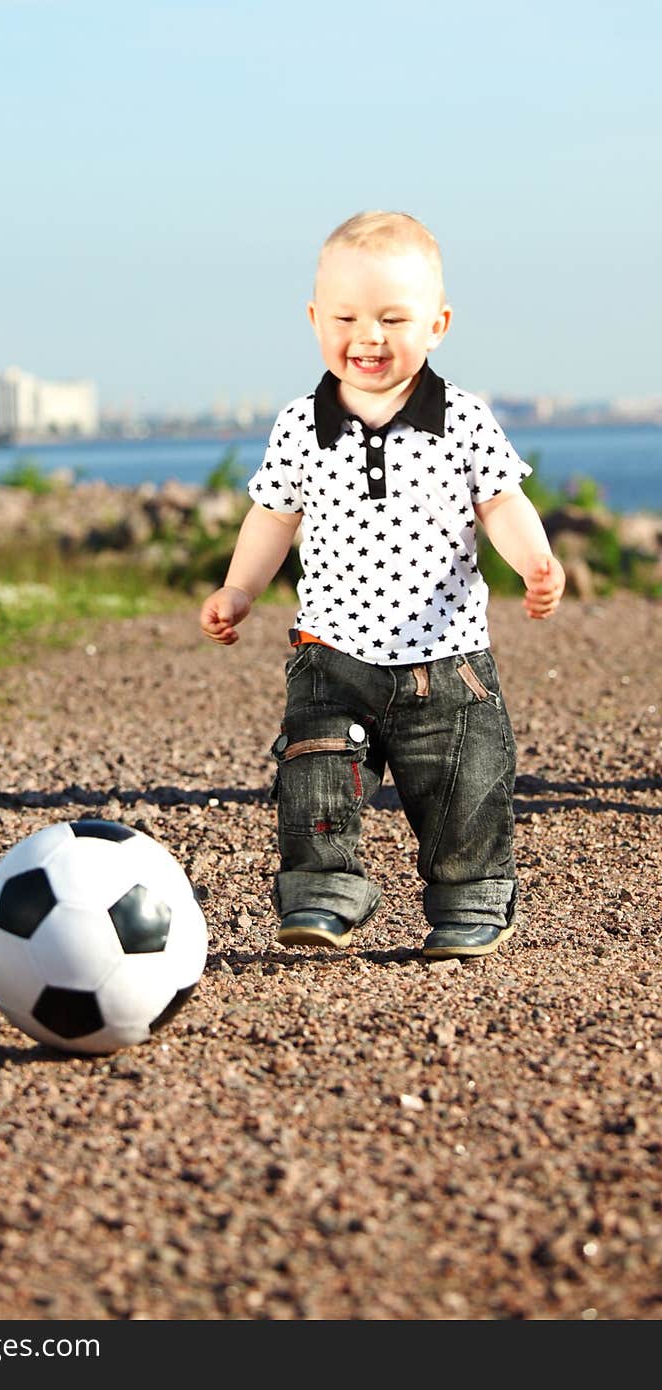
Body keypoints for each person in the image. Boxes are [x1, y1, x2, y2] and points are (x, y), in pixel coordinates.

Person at [199, 210, 565, 960]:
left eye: (393, 318)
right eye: (346, 317)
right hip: (332, 651)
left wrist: (535, 562)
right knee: (316, 779)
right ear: (314, 320)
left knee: (466, 787)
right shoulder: (300, 424)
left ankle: (470, 902)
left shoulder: (460, 418)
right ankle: (324, 892)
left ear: (438, 324)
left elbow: (499, 500)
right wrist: (239, 590)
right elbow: (272, 516)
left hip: (448, 657)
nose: (368, 336)